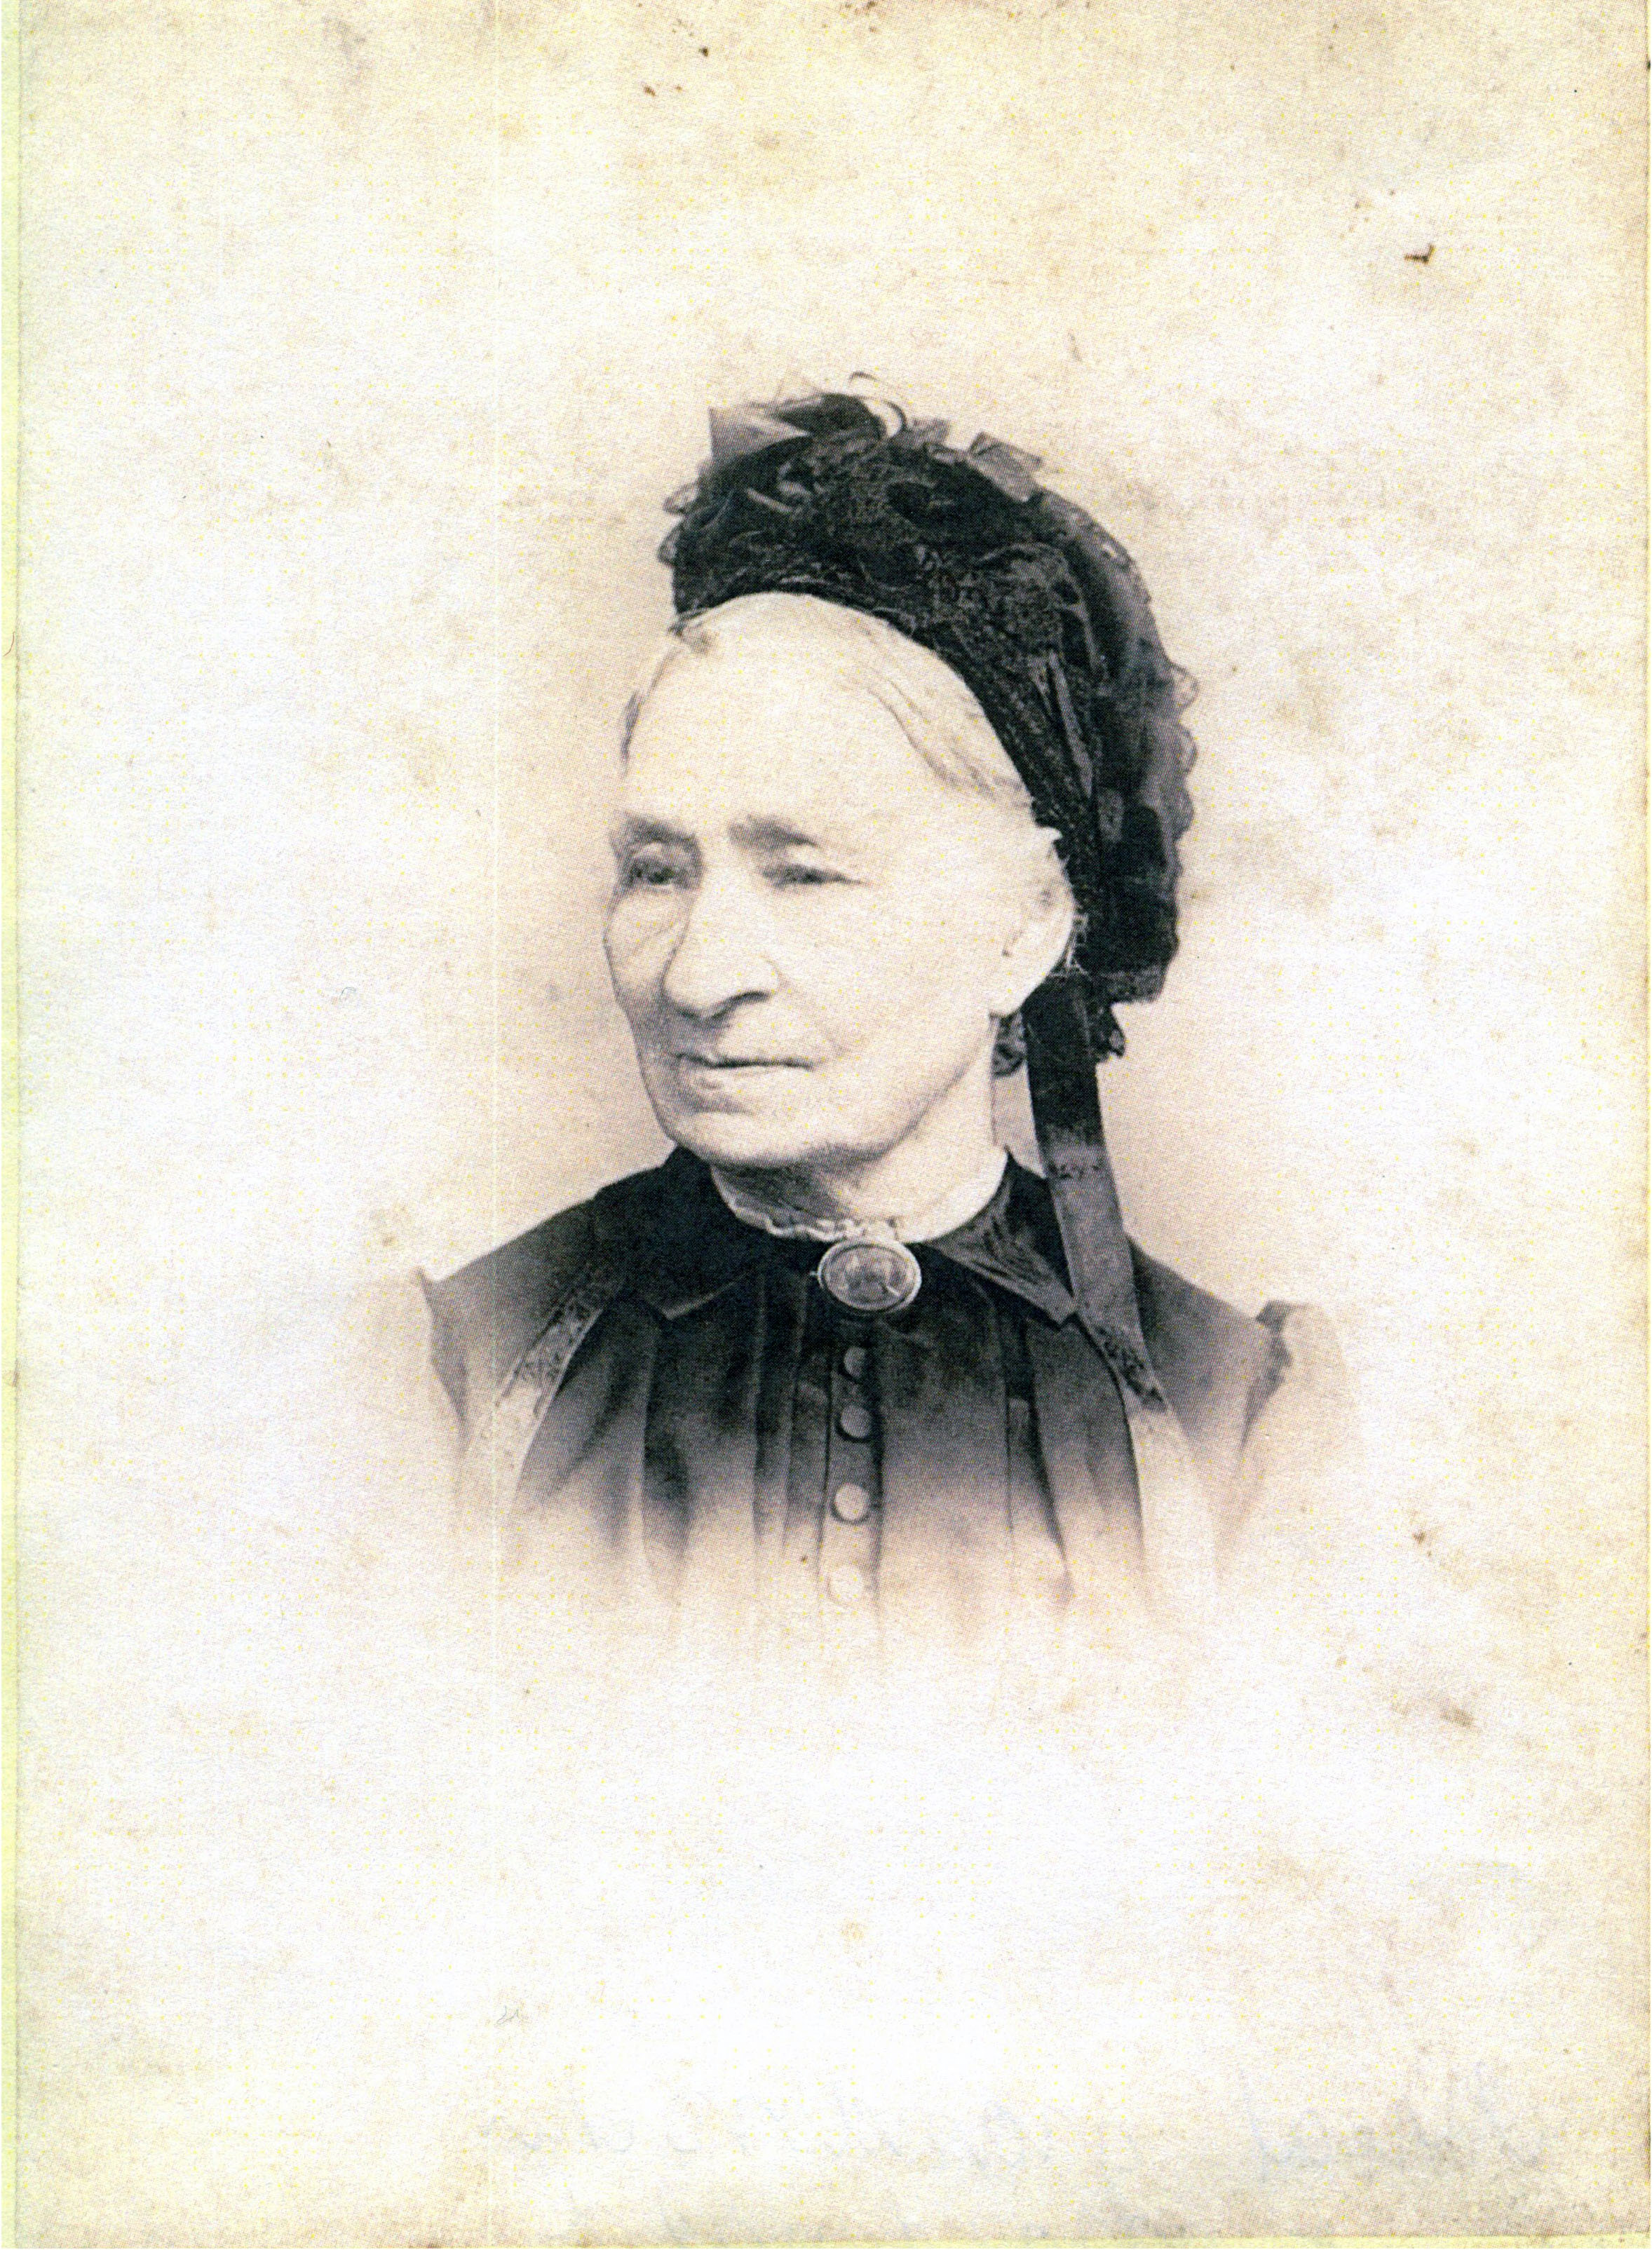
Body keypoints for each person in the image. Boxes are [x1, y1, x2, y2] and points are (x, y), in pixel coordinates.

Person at [424, 393, 1346, 1656]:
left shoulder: (1228, 1425)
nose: (697, 976)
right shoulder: (462, 1382)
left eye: (803, 873)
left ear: (1027, 925)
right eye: (656, 869)